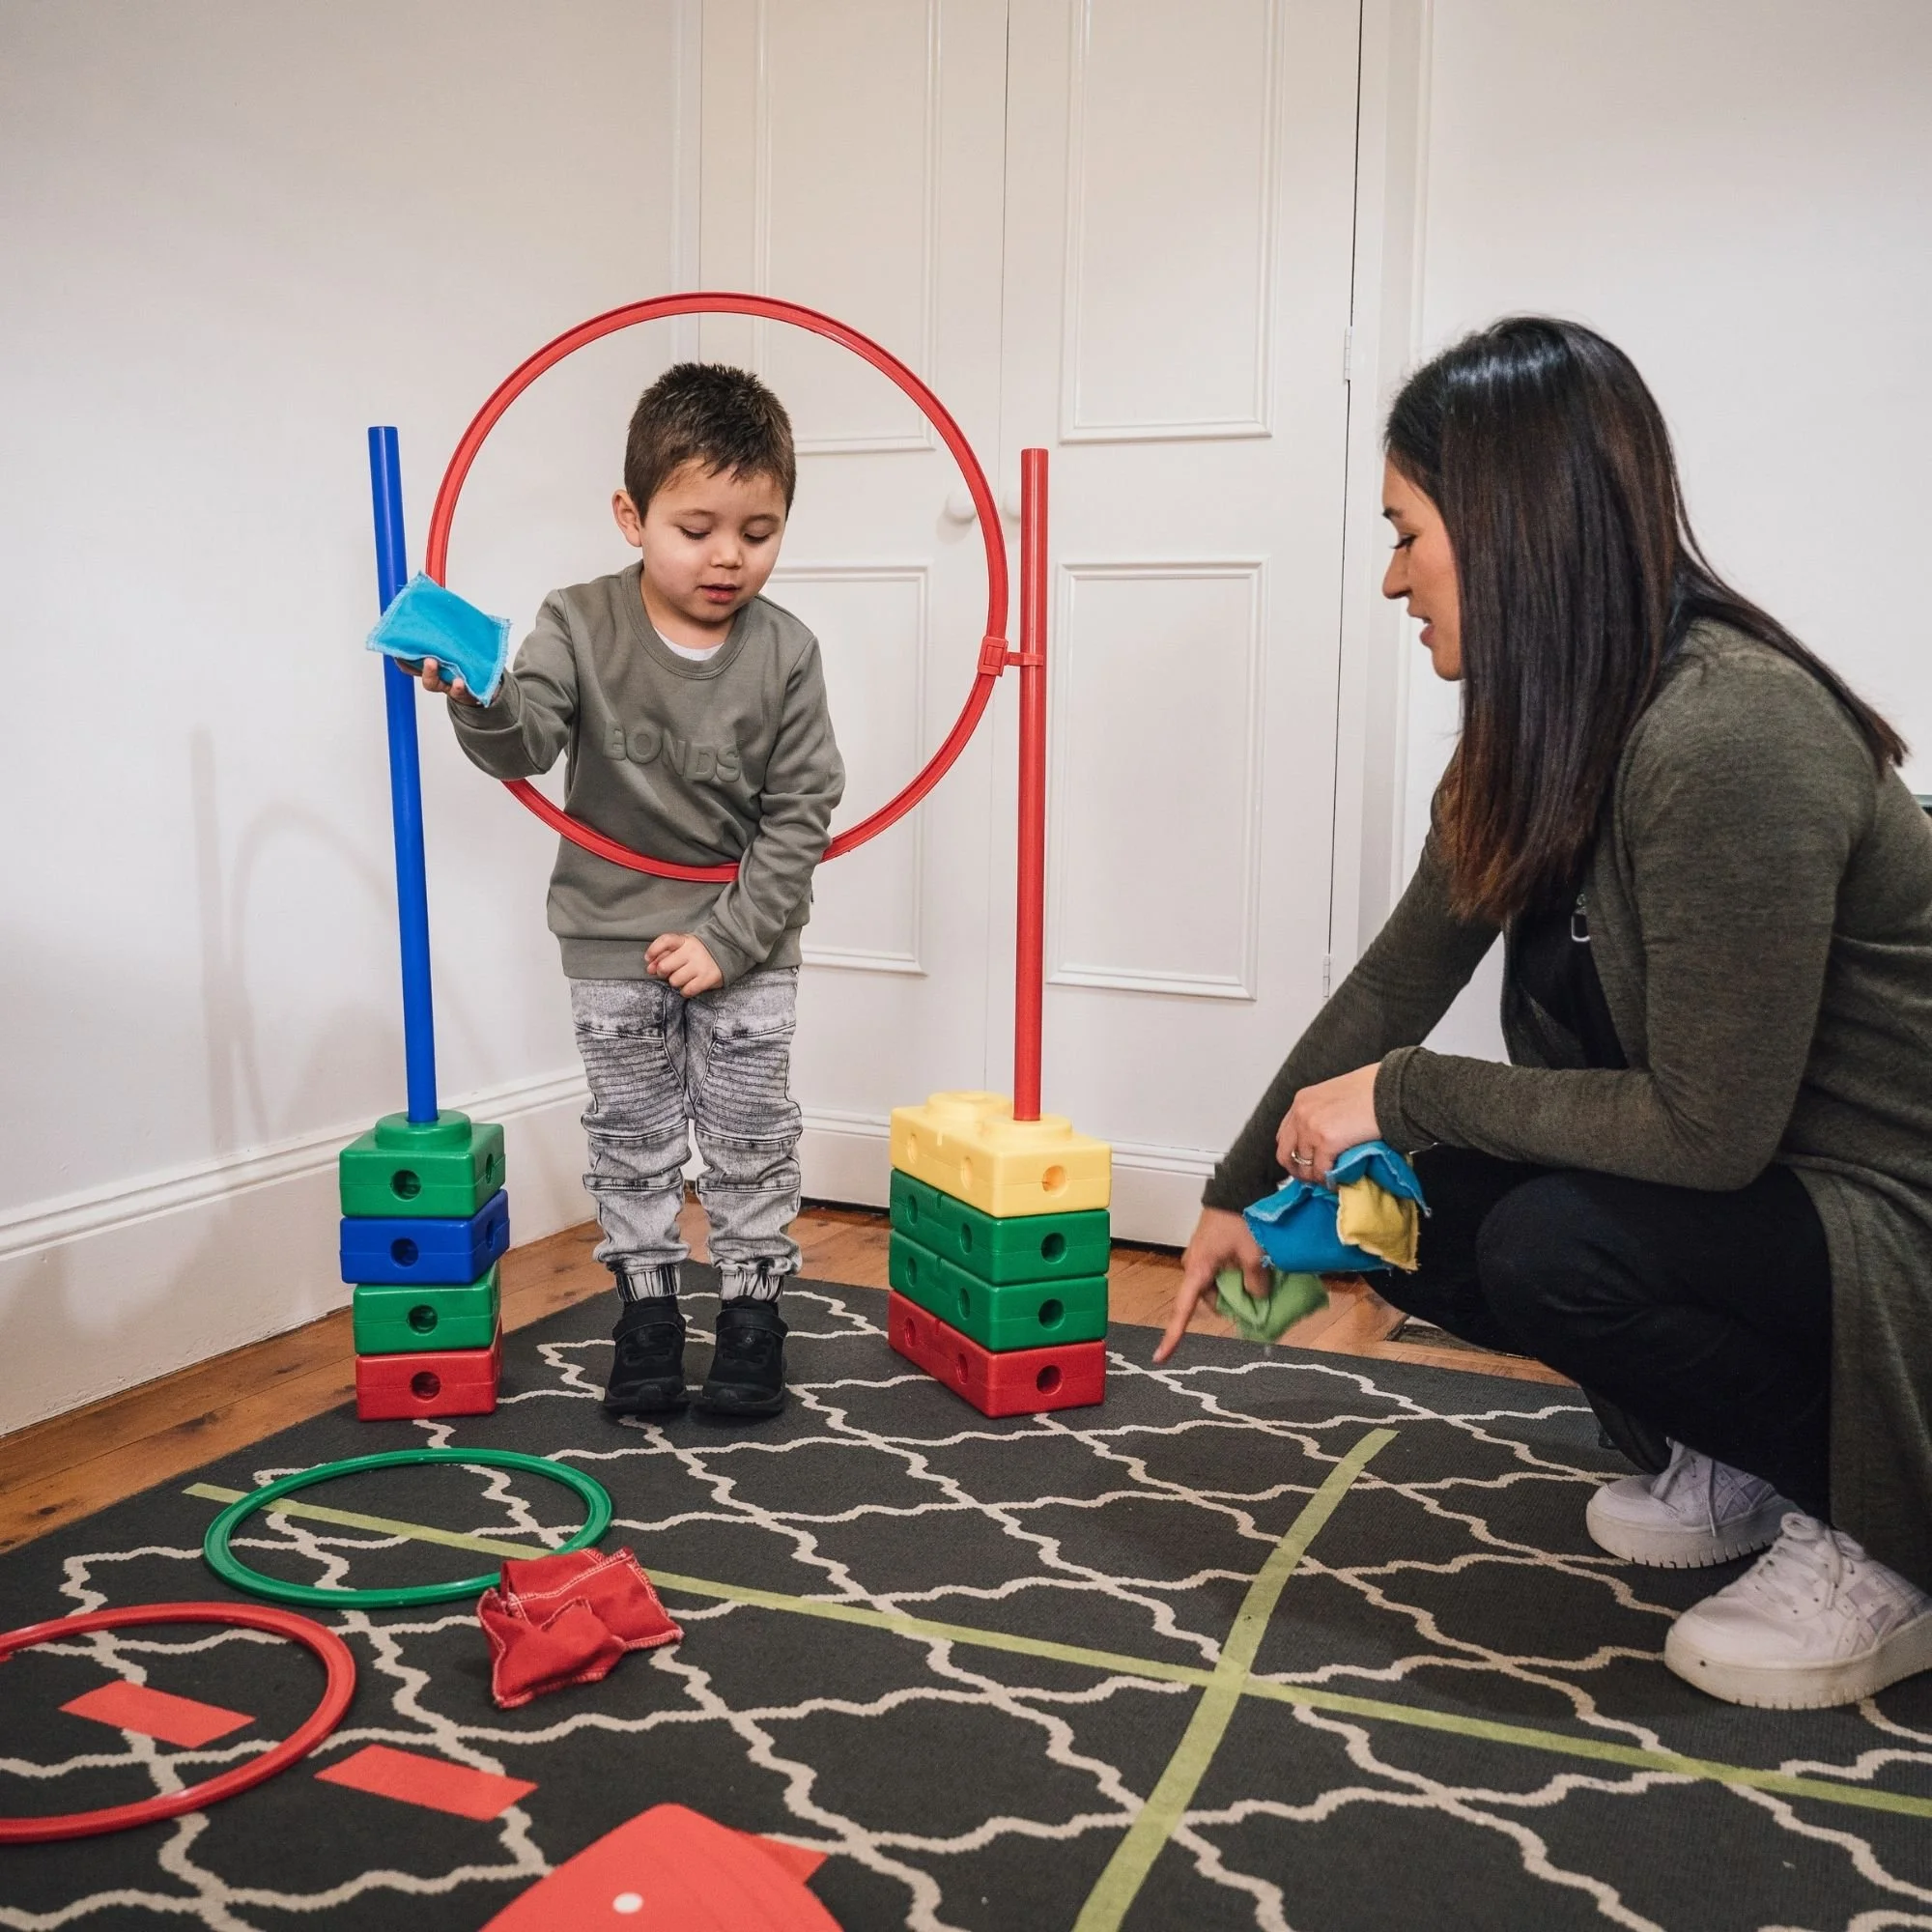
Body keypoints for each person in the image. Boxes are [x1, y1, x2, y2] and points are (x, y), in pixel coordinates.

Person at [1156, 317, 1932, 1711]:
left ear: (1509, 526)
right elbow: (1398, 980)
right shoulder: (1542, 735)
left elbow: (1707, 1132)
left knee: (1552, 1244)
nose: (1393, 578)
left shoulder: (1730, 733)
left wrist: (1404, 1092)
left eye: (1407, 532)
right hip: (1780, 1197)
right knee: (1390, 1211)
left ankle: (1881, 1526)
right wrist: (1235, 1185)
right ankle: (1747, 1454)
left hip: (1893, 1215)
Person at [410, 362, 843, 1422]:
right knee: (633, 1137)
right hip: (609, 934)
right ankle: (646, 1312)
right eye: (696, 527)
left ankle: (750, 1314)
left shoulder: (784, 649)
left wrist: (730, 939)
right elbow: (526, 739)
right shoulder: (577, 621)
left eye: (759, 529)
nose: (728, 556)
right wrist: (478, 692)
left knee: (748, 1137)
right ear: (630, 515)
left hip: (744, 943)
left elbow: (802, 810)